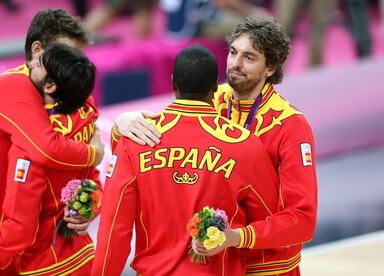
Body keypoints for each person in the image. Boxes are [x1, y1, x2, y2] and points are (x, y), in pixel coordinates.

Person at [115, 17, 318, 275]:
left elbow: (303, 220)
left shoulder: (290, 126)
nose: (235, 64)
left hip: (267, 268)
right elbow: (158, 135)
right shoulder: (210, 100)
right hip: (216, 266)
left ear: (271, 68)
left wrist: (236, 237)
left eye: (249, 57)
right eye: (233, 52)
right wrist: (121, 124)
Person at [92, 45, 281, 275]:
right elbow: (271, 222)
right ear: (215, 87)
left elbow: (114, 230)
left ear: (172, 83)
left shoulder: (135, 139)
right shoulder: (244, 145)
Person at [0, 43, 99, 275]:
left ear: (51, 85)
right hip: (84, 255)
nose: (31, 62)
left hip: (44, 266)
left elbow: (20, 228)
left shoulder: (30, 144)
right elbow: (95, 184)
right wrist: (90, 209)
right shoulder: (88, 123)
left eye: (39, 63)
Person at [0, 8, 104, 212]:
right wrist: (94, 153)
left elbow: (87, 172)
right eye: (64, 54)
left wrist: (90, 204)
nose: (73, 65)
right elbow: (47, 148)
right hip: (13, 224)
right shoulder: (12, 86)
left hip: (57, 224)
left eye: (77, 56)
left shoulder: (71, 88)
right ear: (37, 50)